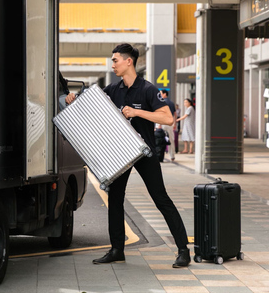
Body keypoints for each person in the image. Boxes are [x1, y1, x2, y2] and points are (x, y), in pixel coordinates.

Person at [66, 43, 190, 268]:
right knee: (115, 198)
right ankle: (117, 250)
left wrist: (136, 112)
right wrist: (74, 98)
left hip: (145, 152)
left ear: (128, 61)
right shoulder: (113, 90)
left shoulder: (147, 89)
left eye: (115, 60)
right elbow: (91, 105)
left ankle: (183, 250)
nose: (112, 64)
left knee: (160, 198)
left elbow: (168, 118)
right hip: (121, 154)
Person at [160, 90, 176, 161]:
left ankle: (161, 155)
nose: (160, 95)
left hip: (163, 122)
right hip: (170, 123)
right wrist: (175, 123)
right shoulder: (171, 103)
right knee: (171, 139)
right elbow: (175, 114)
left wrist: (159, 124)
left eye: (160, 94)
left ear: (164, 94)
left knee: (160, 139)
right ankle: (172, 156)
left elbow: (160, 113)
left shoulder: (161, 102)